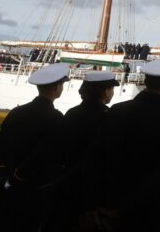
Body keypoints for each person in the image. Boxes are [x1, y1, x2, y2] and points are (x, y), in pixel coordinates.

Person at [81, 58, 160, 232]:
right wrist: (126, 209)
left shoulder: (117, 110)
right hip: (149, 208)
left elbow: (97, 158)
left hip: (111, 199)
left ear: (145, 82)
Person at [0, 63, 70, 232]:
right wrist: (18, 177)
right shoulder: (56, 118)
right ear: (56, 88)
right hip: (32, 189)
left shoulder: (17, 112)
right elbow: (46, 156)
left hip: (5, 186)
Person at [44, 71, 117, 232]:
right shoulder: (110, 117)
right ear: (105, 91)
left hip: (66, 184)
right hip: (94, 189)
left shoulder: (71, 113)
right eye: (112, 89)